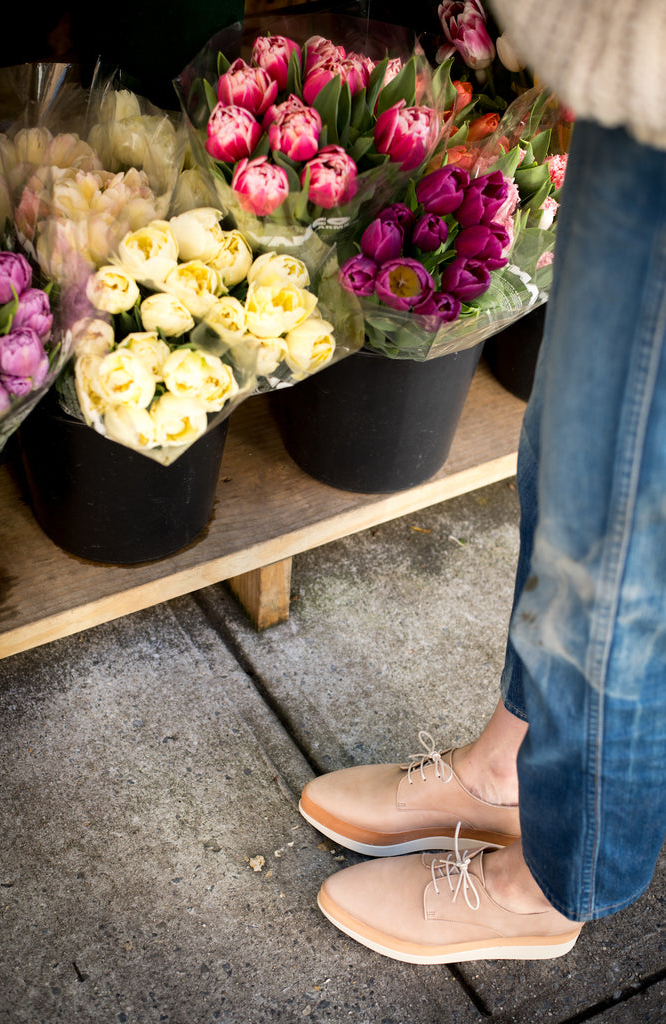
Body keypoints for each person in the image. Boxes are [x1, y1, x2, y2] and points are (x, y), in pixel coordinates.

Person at [298, 0, 666, 964]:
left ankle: (552, 883)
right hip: (636, 74)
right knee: (567, 453)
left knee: (621, 521)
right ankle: (506, 771)